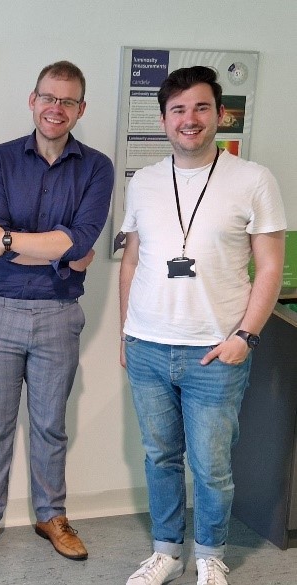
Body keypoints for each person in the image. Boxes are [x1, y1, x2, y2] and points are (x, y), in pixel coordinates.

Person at [119, 66, 286, 585]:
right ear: (163, 120)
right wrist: (126, 334)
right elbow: (131, 262)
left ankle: (210, 554)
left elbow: (271, 266)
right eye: (178, 110)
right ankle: (167, 551)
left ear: (220, 114)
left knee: (212, 466)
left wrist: (246, 337)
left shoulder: (253, 179)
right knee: (160, 457)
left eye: (200, 108)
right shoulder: (144, 182)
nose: (189, 119)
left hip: (215, 350)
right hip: (147, 345)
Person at [0, 61, 113, 564]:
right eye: (49, 97)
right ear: (33, 100)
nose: (56, 108)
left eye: (67, 101)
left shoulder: (97, 168)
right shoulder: (0, 159)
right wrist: (60, 250)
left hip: (58, 313)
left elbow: (82, 242)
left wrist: (13, 241)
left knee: (51, 425)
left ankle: (52, 515)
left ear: (80, 109)